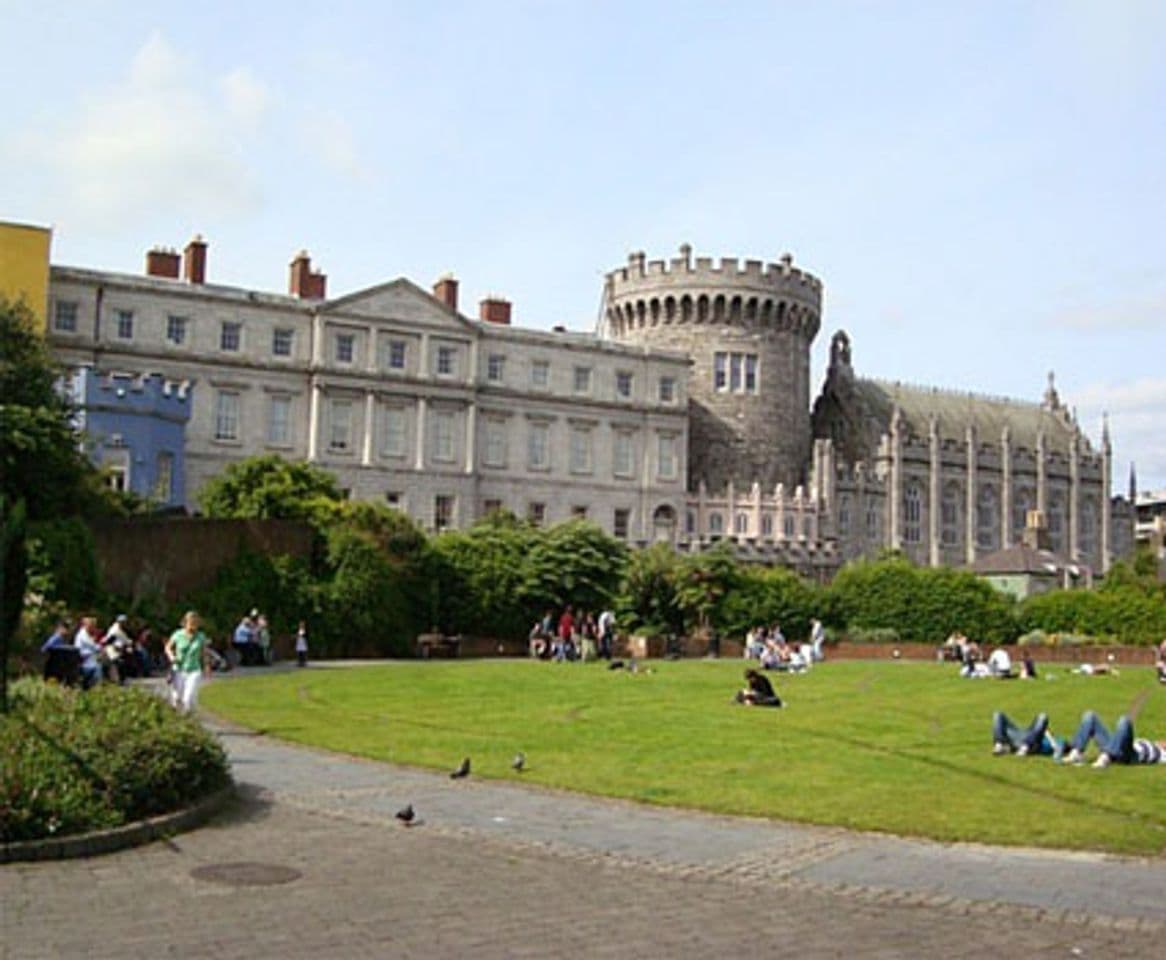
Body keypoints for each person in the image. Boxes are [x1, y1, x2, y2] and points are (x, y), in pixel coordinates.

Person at [1064, 711, 1166, 768]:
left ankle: (1107, 757)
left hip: (1130, 754)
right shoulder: (1156, 744)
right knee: (1090, 716)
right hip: (1118, 744)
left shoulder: (1162, 755)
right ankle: (1076, 752)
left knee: (1124, 721)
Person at [165, 610, 211, 713]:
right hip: (178, 669)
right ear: (185, 623)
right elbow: (168, 647)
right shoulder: (177, 634)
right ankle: (179, 718)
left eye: (195, 623)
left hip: (194, 670)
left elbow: (204, 653)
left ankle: (187, 717)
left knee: (188, 698)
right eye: (191, 623)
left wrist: (207, 666)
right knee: (176, 698)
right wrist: (172, 656)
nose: (193, 626)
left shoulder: (201, 636)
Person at [991, 711, 1064, 758]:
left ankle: (1024, 748)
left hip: (1030, 742)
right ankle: (999, 745)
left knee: (1043, 716)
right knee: (998, 714)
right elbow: (1045, 730)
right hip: (1019, 735)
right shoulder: (1042, 731)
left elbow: (1059, 745)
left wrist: (1054, 744)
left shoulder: (1057, 741)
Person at [74, 616, 102, 689]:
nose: (93, 628)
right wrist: (100, 647)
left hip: (88, 658)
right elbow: (93, 646)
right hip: (84, 659)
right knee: (97, 667)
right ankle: (97, 687)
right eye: (91, 626)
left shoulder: (86, 634)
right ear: (85, 625)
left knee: (100, 662)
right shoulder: (83, 635)